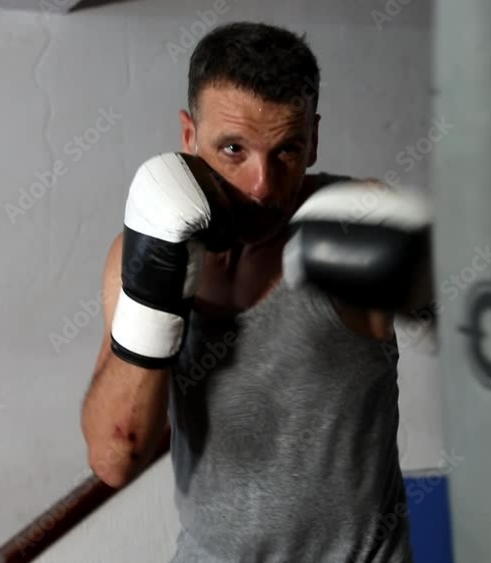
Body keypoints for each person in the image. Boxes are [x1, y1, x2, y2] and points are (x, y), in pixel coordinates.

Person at [80, 21, 432, 563]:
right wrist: (152, 294)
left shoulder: (356, 223)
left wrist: (436, 290)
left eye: (286, 150)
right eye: (233, 148)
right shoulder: (145, 245)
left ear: (313, 138)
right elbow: (114, 456)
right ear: (189, 137)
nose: (261, 184)